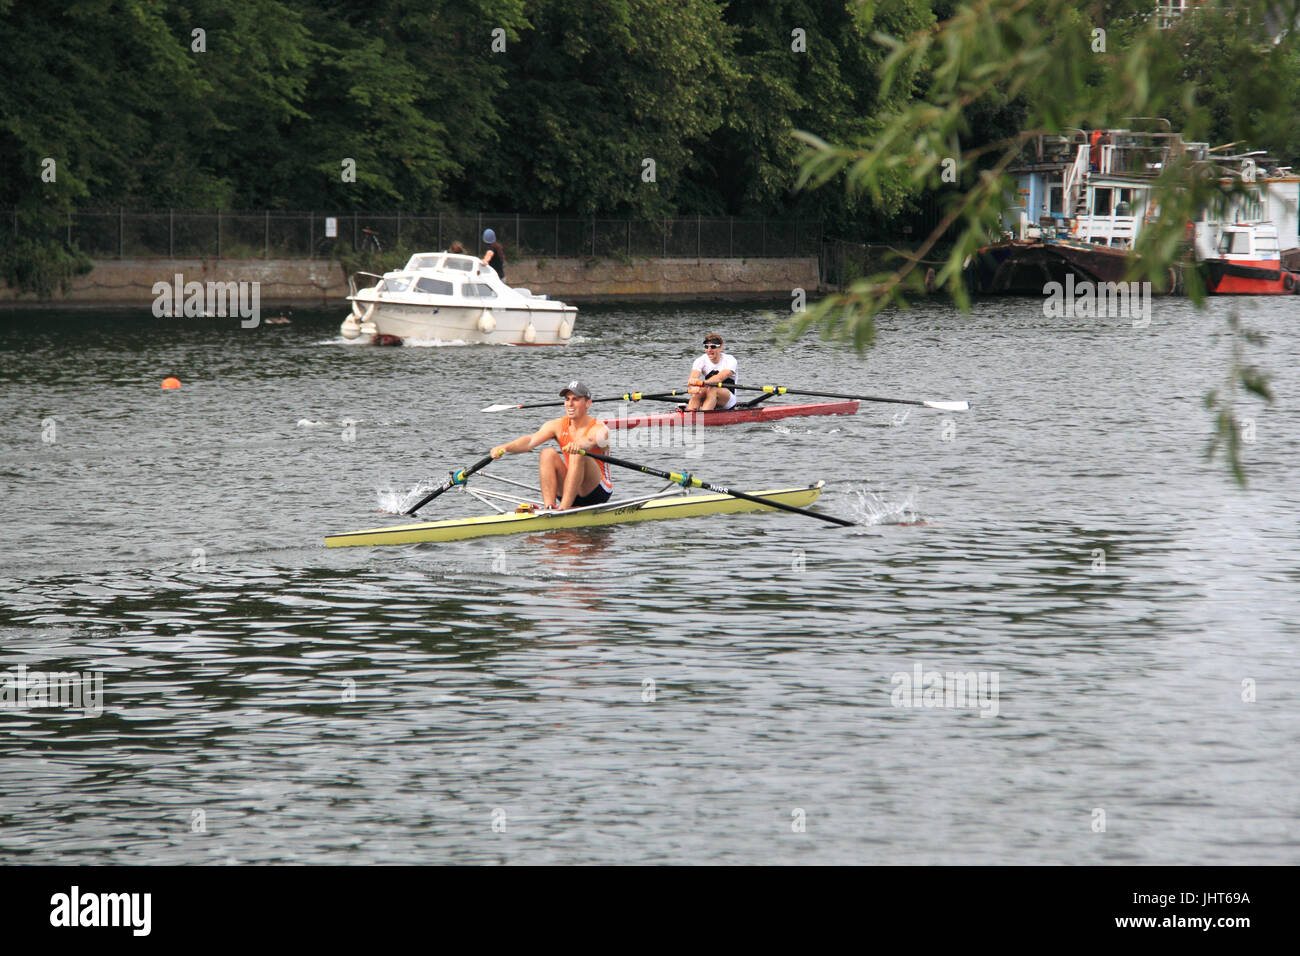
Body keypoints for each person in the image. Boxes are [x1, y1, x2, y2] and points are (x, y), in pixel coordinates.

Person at [490, 380, 612, 510]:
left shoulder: (599, 428)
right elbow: (530, 441)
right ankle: (549, 507)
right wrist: (505, 447)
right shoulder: (557, 425)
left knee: (578, 452)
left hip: (597, 491)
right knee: (547, 453)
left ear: (588, 403)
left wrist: (578, 445)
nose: (570, 404)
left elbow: (589, 441)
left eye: (576, 399)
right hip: (570, 488)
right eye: (567, 399)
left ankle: (562, 509)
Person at [686, 333, 738, 410]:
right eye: (706, 347)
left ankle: (704, 416)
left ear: (720, 348)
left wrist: (702, 384)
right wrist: (693, 386)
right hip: (709, 393)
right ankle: (690, 415)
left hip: (728, 399)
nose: (709, 350)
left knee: (712, 388)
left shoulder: (730, 360)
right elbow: (694, 376)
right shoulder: (700, 360)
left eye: (713, 347)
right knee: (697, 392)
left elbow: (719, 378)